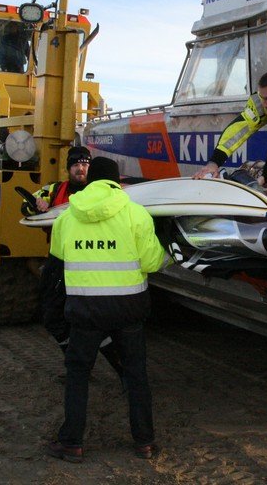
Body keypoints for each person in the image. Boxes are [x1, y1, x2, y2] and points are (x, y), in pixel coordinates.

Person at [46, 156, 169, 463]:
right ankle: (145, 443)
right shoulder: (136, 214)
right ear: (117, 181)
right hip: (129, 308)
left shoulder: (66, 217)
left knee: (77, 374)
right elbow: (152, 263)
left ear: (89, 180)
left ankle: (71, 443)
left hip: (85, 310)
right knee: (136, 374)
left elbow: (57, 264)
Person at [23, 146, 125, 381]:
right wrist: (36, 205)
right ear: (69, 168)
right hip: (59, 263)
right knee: (53, 317)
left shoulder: (100, 192)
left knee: (94, 321)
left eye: (85, 164)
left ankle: (121, 371)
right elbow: (27, 203)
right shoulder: (55, 190)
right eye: (76, 164)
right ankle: (78, 368)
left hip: (90, 264)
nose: (81, 168)